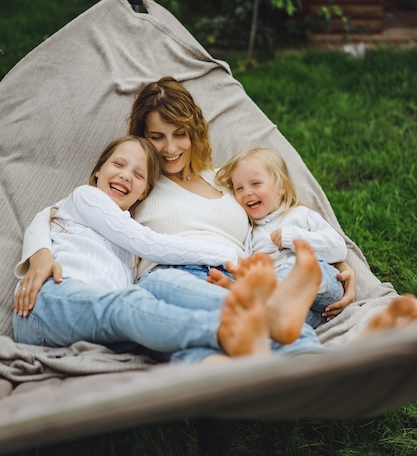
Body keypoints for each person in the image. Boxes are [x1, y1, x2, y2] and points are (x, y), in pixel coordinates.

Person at [13, 134, 289, 360]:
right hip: (49, 304)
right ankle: (229, 330)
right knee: (132, 304)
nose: (125, 176)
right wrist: (227, 254)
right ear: (98, 170)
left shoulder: (125, 234)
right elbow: (149, 243)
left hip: (94, 324)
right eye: (118, 165)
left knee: (148, 327)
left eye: (138, 174)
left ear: (144, 191)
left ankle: (279, 341)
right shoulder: (87, 197)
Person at [213, 147, 351, 328]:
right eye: (239, 188)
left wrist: (293, 239)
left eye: (255, 184)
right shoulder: (250, 234)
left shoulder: (301, 215)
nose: (247, 192)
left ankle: (265, 297)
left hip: (322, 286)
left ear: (281, 187)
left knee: (300, 266)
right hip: (305, 311)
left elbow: (338, 248)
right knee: (277, 322)